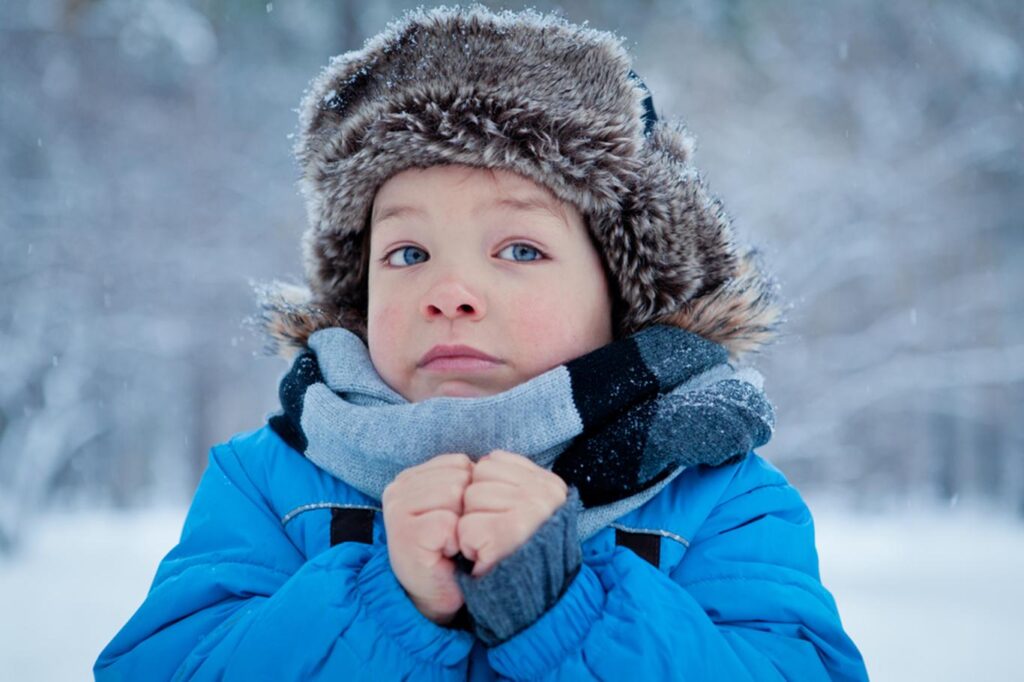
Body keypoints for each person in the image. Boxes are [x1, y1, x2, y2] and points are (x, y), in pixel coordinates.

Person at [95, 6, 868, 680]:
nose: (449, 291)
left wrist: (568, 609)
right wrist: (381, 604)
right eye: (407, 254)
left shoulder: (713, 495)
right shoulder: (270, 484)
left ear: (624, 292)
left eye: (520, 250)